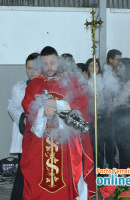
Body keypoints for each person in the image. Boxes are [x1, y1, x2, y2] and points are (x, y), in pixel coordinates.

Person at [21, 46, 95, 200]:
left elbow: (82, 103)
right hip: (40, 145)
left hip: (65, 144)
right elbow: (28, 107)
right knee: (38, 180)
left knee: (66, 180)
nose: (49, 67)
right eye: (45, 63)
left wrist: (59, 105)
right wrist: (42, 111)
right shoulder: (34, 84)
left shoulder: (71, 81)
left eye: (53, 63)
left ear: (59, 62)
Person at [8, 52, 40, 200]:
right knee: (23, 172)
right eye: (28, 68)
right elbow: (12, 107)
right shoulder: (20, 87)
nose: (32, 72)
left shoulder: (48, 86)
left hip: (42, 138)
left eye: (35, 68)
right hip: (25, 135)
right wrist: (23, 118)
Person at [85, 58, 105, 169]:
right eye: (91, 66)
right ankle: (94, 169)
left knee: (102, 145)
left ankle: (102, 169)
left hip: (102, 116)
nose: (94, 68)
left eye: (96, 66)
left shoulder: (103, 81)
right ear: (87, 68)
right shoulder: (86, 82)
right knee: (93, 146)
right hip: (91, 117)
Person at [113, 58, 130, 169]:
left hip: (127, 116)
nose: (118, 68)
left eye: (121, 66)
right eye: (117, 65)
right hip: (117, 117)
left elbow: (119, 100)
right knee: (120, 145)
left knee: (126, 147)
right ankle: (124, 174)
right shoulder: (117, 81)